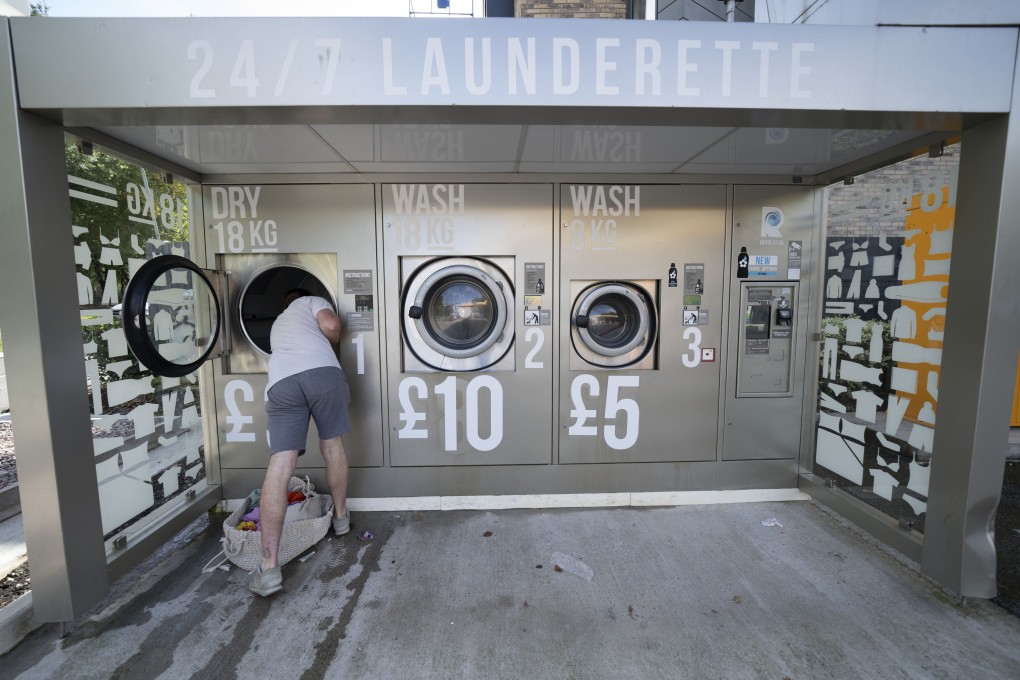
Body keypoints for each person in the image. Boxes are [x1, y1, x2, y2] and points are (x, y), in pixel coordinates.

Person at [248, 288, 352, 597]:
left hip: (283, 382)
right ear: (303, 296)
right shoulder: (310, 302)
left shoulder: (278, 322)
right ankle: (341, 519)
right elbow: (332, 325)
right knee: (332, 446)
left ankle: (268, 568)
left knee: (281, 464)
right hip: (323, 374)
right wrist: (331, 342)